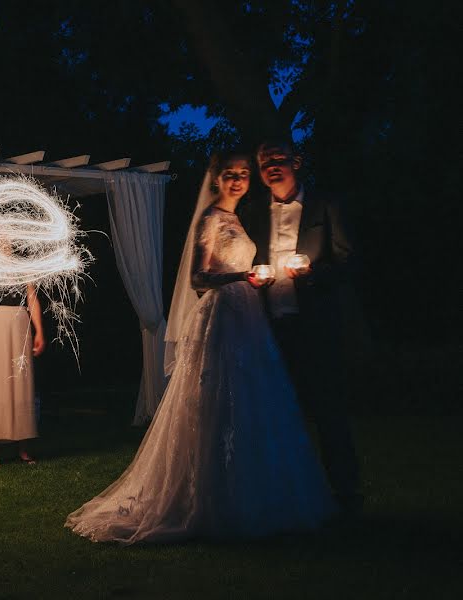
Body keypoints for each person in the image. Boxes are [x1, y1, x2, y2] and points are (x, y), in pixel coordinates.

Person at [65, 151, 335, 544]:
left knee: (252, 400)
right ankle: (210, 493)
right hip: (223, 314)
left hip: (248, 315)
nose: (238, 181)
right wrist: (245, 275)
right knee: (217, 400)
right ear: (216, 179)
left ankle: (254, 489)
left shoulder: (241, 219)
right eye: (230, 175)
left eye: (244, 174)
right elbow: (199, 277)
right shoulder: (210, 219)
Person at [240, 139, 361, 511]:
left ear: (297, 161)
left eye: (279, 159)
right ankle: (290, 493)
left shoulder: (325, 205)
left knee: (328, 411)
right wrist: (252, 280)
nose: (272, 166)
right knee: (278, 413)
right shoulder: (253, 212)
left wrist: (312, 272)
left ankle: (345, 494)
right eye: (265, 163)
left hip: (315, 327)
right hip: (269, 329)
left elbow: (349, 262)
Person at [0, 281, 46, 468]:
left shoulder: (22, 258)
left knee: (21, 383)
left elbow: (31, 295)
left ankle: (23, 444)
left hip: (19, 320)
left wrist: (39, 329)